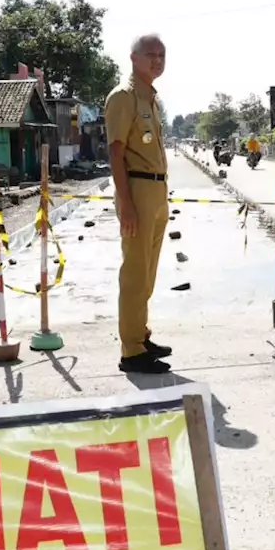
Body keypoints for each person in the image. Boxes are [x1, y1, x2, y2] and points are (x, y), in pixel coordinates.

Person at [108, 34, 172, 374]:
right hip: (137, 190)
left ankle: (140, 336)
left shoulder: (152, 100)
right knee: (134, 272)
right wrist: (126, 202)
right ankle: (131, 351)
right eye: (151, 54)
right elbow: (116, 151)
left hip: (157, 192)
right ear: (133, 58)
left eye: (162, 55)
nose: (157, 60)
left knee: (147, 272)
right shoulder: (124, 97)